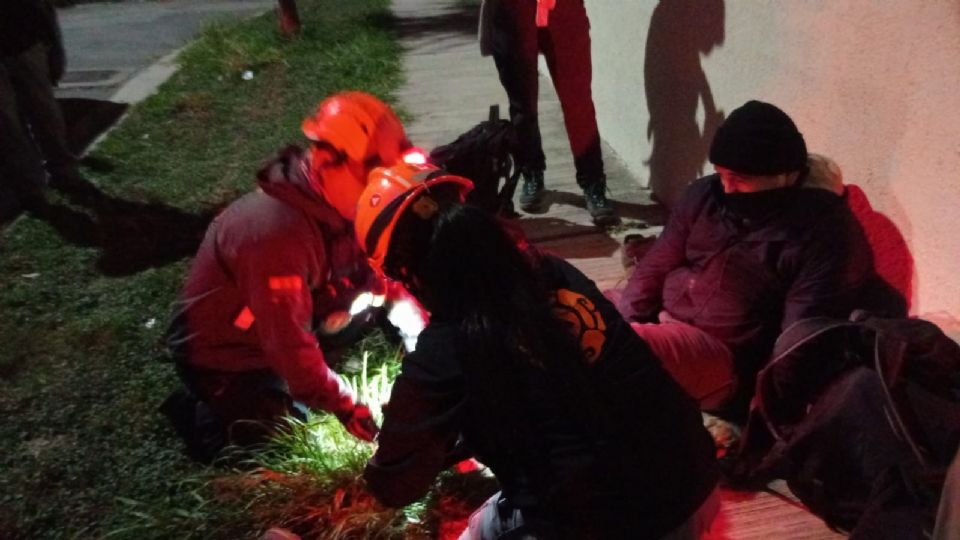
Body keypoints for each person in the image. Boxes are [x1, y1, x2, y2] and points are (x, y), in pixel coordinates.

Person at [356, 168, 720, 538]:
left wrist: (395, 452)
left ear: (409, 272)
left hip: (614, 525)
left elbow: (394, 484)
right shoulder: (554, 273)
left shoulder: (446, 351)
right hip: (697, 482)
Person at [161, 91, 411, 462]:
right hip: (228, 353)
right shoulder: (274, 236)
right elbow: (288, 345)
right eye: (370, 175)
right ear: (327, 162)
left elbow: (387, 277)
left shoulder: (339, 203)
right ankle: (210, 411)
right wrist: (345, 403)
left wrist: (421, 339)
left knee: (371, 302)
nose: (378, 188)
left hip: (288, 321)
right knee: (279, 439)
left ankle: (294, 384)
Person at [617, 100, 905, 419]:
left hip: (719, 356)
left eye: (739, 178)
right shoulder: (705, 195)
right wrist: (628, 318)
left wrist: (763, 414)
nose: (727, 187)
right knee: (572, 309)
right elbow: (656, 264)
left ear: (783, 175)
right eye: (721, 174)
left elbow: (799, 336)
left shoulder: (821, 232)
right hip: (663, 318)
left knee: (610, 347)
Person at [481, 0, 616, 225]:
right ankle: (532, 172)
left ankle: (593, 182)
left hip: (564, 10)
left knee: (578, 102)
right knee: (522, 103)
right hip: (513, 10)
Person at [0, 0, 78, 218]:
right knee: (8, 125)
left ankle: (63, 170)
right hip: (25, 41)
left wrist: (54, 46)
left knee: (44, 111)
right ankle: (31, 188)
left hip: (25, 40)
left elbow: (44, 6)